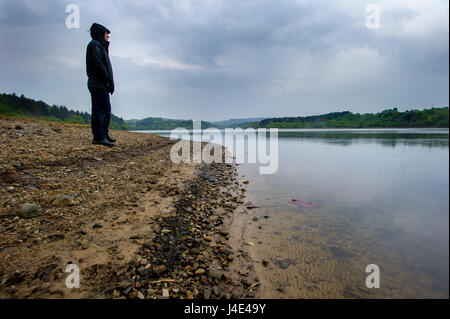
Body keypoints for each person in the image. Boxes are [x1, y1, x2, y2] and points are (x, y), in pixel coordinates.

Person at [86, 23, 116, 147]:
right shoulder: (95, 45)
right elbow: (98, 63)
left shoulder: (100, 46)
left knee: (106, 111)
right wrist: (107, 78)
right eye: (106, 34)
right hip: (98, 83)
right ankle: (99, 137)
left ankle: (104, 134)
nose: (108, 37)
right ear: (100, 33)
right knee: (99, 111)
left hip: (102, 84)